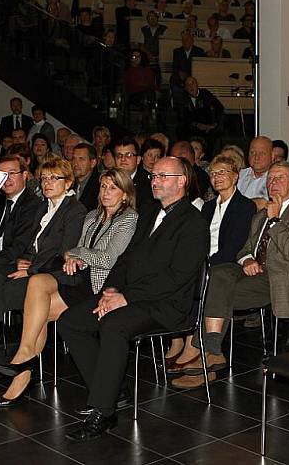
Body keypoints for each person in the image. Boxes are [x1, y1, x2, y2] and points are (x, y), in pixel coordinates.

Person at [60, 156, 208, 439]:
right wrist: (112, 290)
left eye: (163, 176)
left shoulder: (193, 223)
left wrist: (126, 297)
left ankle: (103, 412)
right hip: (132, 296)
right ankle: (111, 391)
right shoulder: (151, 212)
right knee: (71, 321)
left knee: (113, 324)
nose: (155, 180)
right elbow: (126, 258)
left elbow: (176, 278)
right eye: (154, 176)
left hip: (167, 304)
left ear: (182, 181)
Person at [0, 169, 138, 406]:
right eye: (102, 186)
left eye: (112, 188)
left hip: (101, 285)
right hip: (77, 278)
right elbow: (73, 252)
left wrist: (76, 254)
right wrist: (72, 258)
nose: (105, 192)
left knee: (38, 314)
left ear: (124, 194)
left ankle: (22, 370)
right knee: (37, 286)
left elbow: (107, 259)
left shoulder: (128, 218)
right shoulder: (92, 216)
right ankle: (23, 362)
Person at [172, 161, 289, 389]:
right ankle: (211, 351)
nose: (273, 183)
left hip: (282, 280)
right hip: (254, 274)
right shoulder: (260, 215)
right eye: (270, 178)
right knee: (218, 273)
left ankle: (205, 360)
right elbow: (244, 248)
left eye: (280, 178)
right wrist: (247, 259)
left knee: (216, 293)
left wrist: (275, 219)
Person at [0, 159, 86, 388]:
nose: (47, 183)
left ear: (69, 182)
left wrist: (31, 268)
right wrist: (22, 262)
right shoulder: (44, 208)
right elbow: (28, 244)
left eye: (54, 178)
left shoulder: (74, 210)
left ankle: (11, 367)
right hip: (31, 265)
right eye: (44, 178)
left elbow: (66, 252)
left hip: (54, 274)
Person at [166, 155, 256, 380]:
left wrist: (203, 266)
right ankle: (181, 339)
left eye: (222, 172)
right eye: (213, 173)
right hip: (203, 261)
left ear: (235, 176)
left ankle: (198, 346)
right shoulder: (207, 207)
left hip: (227, 264)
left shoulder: (245, 206)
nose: (216, 177)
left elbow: (234, 245)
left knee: (205, 278)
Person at [238, 136, 273, 210]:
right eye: (252, 152)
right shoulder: (239, 175)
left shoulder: (277, 179)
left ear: (272, 156)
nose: (256, 157)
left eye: (262, 153)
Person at [72, 142, 100, 211]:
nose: (75, 163)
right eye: (74, 158)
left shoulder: (100, 186)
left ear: (93, 163)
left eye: (81, 159)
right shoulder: (69, 182)